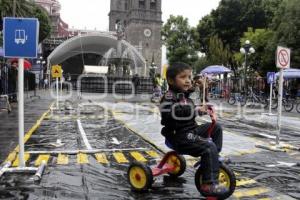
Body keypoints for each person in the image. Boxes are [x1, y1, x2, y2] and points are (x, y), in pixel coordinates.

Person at [159, 62, 227, 196]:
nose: (188, 80)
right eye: (183, 77)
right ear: (171, 81)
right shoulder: (168, 98)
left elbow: (191, 97)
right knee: (208, 146)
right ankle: (208, 184)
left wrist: (201, 90)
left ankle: (213, 157)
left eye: (189, 77)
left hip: (191, 130)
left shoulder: (183, 95)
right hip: (179, 136)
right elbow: (173, 112)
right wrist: (195, 109)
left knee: (216, 128)